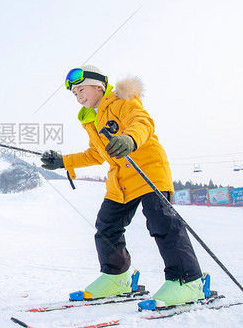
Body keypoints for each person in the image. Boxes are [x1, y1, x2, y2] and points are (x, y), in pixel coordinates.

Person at [41, 65, 204, 307]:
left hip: (148, 170)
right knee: (106, 226)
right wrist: (63, 161)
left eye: (81, 89)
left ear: (98, 86)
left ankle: (187, 282)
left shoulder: (121, 101)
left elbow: (143, 123)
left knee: (163, 224)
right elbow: (96, 154)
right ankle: (117, 278)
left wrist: (129, 139)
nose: (78, 96)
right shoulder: (91, 119)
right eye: (74, 94)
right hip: (120, 180)